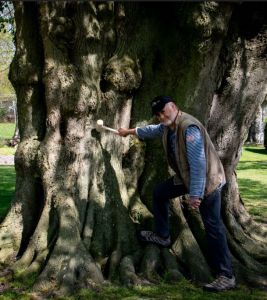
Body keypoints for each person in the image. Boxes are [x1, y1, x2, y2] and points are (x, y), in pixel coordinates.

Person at [118, 95, 236, 292]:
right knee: (159, 193)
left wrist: (196, 195)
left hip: (208, 182)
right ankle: (163, 235)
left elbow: (198, 165)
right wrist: (129, 132)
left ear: (173, 106)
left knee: (213, 227)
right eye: (158, 114)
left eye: (164, 111)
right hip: (186, 179)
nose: (161, 116)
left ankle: (227, 275)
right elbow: (152, 130)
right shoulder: (167, 126)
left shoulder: (189, 128)